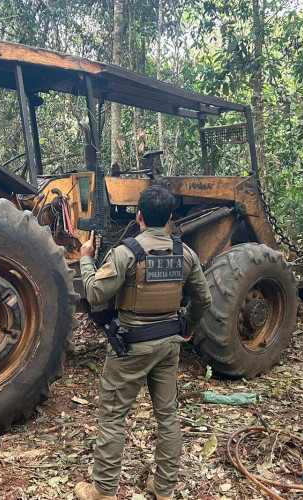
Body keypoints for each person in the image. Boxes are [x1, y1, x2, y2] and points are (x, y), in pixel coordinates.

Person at [74, 185, 212, 500]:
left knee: (113, 416)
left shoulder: (127, 252)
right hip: (168, 345)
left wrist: (86, 259)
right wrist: (187, 326)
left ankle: (104, 492)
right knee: (168, 415)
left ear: (138, 216)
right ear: (170, 219)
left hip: (131, 346)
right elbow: (203, 299)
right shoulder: (185, 253)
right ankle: (163, 489)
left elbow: (95, 294)